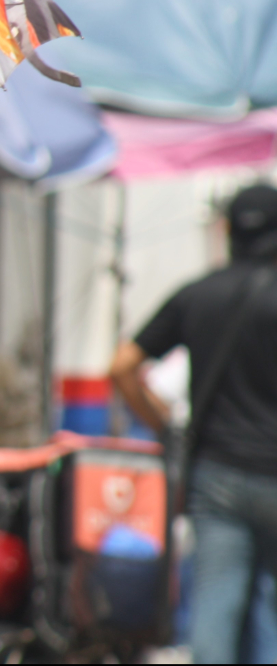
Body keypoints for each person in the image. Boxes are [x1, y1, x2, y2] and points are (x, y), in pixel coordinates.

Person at [108, 183, 277, 665]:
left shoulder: (198, 294)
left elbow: (122, 365)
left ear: (228, 233)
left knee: (215, 606)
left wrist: (163, 425)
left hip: (217, 474)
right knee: (271, 614)